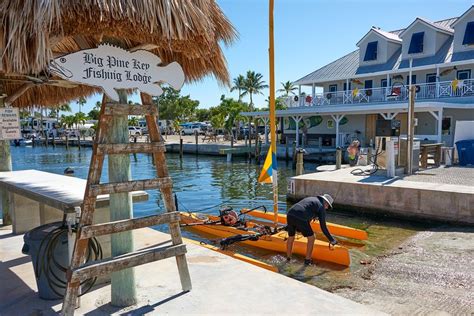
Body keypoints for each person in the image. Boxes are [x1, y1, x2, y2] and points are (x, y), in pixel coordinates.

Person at [286, 194, 338, 265]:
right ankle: (307, 260)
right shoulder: (321, 207)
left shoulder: (313, 199)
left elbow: (305, 208)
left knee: (291, 236)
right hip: (301, 215)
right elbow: (323, 227)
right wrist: (331, 239)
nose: (326, 208)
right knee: (312, 237)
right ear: (325, 203)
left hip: (290, 213)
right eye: (328, 206)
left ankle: (288, 258)